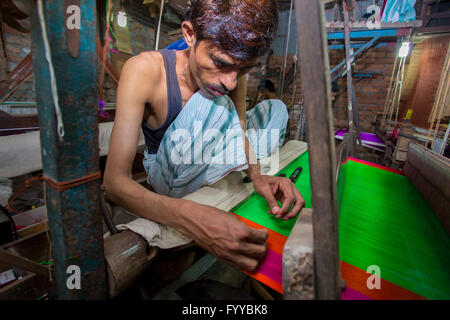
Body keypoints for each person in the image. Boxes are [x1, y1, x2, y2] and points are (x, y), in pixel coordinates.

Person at [104, 0, 305, 272]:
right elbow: (115, 183)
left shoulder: (230, 72)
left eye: (243, 70)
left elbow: (239, 131)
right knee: (215, 103)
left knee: (275, 109)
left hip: (208, 152)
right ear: (189, 34)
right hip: (169, 175)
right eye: (220, 62)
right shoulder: (144, 70)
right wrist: (191, 217)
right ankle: (229, 175)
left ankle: (235, 174)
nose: (231, 81)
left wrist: (260, 176)